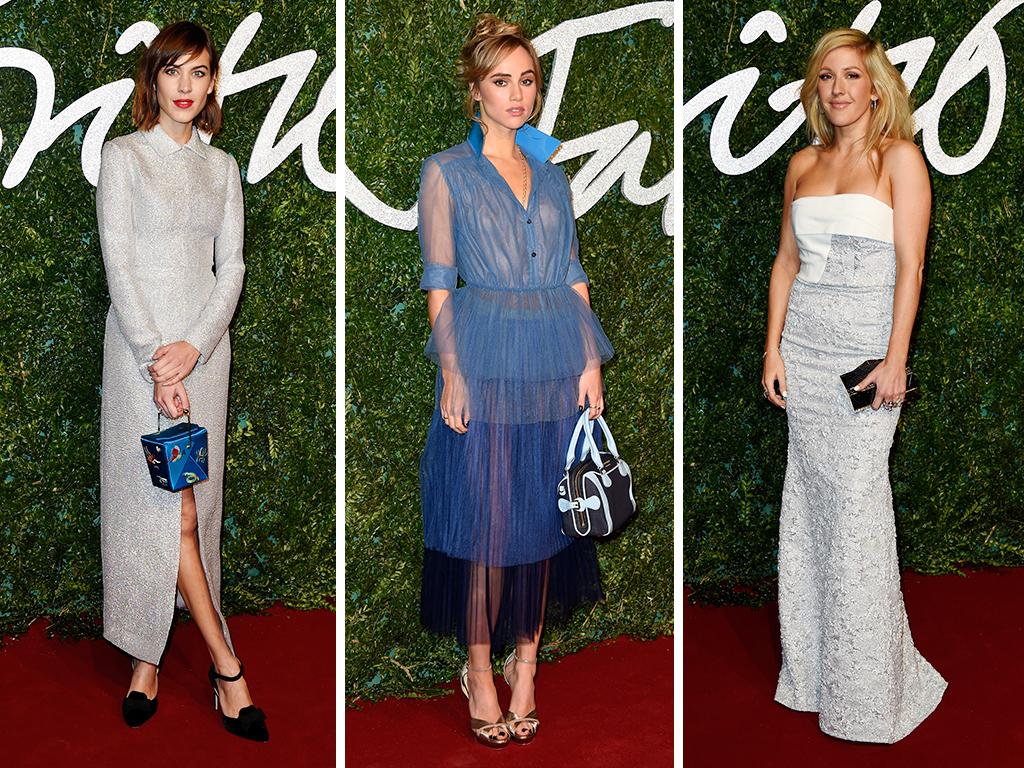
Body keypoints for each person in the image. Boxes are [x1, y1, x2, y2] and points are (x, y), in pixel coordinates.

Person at [416, 14, 613, 749]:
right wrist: (453, 374)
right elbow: (440, 282)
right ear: (475, 90)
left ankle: (526, 667)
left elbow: (571, 271)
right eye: (501, 81)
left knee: (542, 517)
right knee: (486, 521)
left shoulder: (553, 173)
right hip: (487, 355)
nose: (517, 93)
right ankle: (477, 669)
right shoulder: (446, 171)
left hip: (555, 357)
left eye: (527, 79)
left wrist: (590, 364)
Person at [760, 28, 947, 743]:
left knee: (860, 508)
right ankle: (813, 676)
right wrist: (771, 348)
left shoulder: (899, 158)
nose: (838, 88)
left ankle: (872, 693)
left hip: (867, 357)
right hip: (804, 358)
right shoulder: (802, 164)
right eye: (827, 77)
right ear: (818, 90)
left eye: (851, 75)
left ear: (877, 87)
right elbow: (784, 262)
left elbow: (912, 268)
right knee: (810, 506)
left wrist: (896, 357)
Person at [96, 20, 268, 741]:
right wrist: (154, 356)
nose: (187, 87)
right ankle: (218, 664)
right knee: (164, 511)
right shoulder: (123, 157)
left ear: (213, 83)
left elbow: (232, 269)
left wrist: (193, 349)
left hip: (203, 358)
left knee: (194, 506)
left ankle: (153, 657)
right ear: (153, 80)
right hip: (141, 359)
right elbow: (119, 261)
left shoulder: (222, 169)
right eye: (175, 72)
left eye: (200, 73)